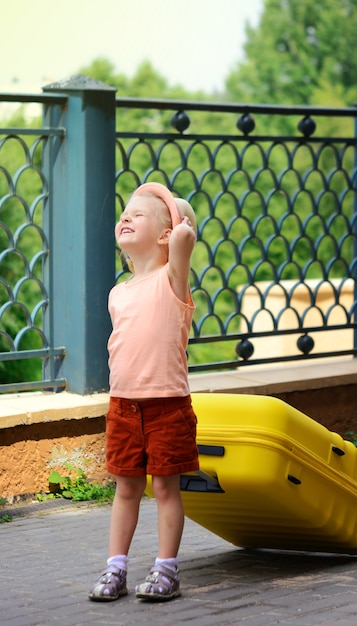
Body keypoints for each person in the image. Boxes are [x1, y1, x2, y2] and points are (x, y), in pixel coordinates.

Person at [88, 182, 199, 603]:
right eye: (124, 214)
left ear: (166, 234)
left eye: (139, 213)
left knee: (166, 489)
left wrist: (180, 221)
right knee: (126, 489)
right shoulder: (119, 293)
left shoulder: (173, 279)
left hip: (167, 406)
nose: (126, 217)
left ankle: (166, 569)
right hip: (123, 406)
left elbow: (186, 238)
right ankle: (116, 567)